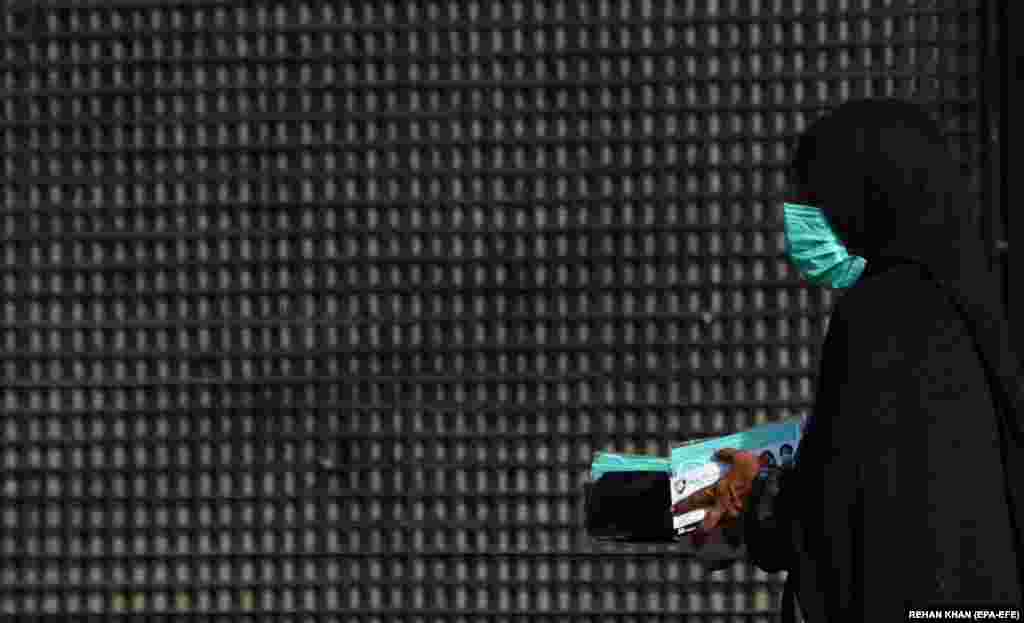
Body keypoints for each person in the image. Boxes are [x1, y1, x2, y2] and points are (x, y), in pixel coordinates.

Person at [675, 98, 1024, 620]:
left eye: (815, 198)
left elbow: (839, 512)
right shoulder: (979, 303)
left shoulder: (882, 312)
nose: (801, 220)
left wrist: (753, 500)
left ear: (865, 195)